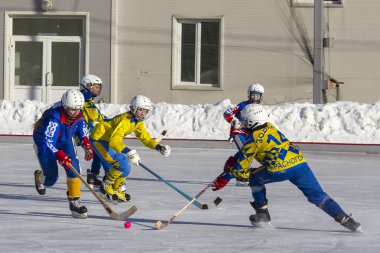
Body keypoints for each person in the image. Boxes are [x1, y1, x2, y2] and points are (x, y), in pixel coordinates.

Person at [213, 104, 362, 232]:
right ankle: (347, 220)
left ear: (252, 122)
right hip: (299, 164)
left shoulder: (252, 139)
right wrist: (238, 157)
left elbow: (241, 169)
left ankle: (262, 215)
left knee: (253, 178)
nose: (243, 123)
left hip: (280, 168)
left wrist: (224, 177)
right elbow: (253, 149)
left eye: (245, 121)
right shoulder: (270, 128)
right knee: (318, 196)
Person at [89, 95, 171, 202]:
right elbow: (115, 141)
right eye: (140, 110)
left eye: (145, 111)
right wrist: (128, 151)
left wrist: (158, 147)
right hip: (99, 139)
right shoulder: (125, 120)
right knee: (120, 162)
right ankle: (106, 186)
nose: (143, 113)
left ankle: (115, 189)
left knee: (126, 167)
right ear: (133, 108)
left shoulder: (137, 122)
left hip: (108, 141)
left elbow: (145, 138)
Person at [33, 89, 94, 219]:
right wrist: (59, 155)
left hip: (65, 140)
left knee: (74, 168)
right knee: (51, 179)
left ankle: (74, 201)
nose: (75, 112)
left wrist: (86, 143)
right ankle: (39, 176)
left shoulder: (78, 114)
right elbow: (48, 141)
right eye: (72, 109)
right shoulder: (54, 118)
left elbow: (81, 128)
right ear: (65, 106)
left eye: (78, 109)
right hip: (44, 144)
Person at [223, 83, 264, 186]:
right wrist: (234, 121)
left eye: (257, 95)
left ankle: (230, 166)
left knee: (245, 154)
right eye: (253, 95)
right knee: (246, 153)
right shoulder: (242, 105)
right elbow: (227, 113)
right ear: (249, 94)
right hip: (239, 133)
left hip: (251, 136)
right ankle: (241, 176)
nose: (255, 98)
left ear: (261, 96)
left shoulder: (260, 109)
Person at [79, 74, 109, 188]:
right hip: (84, 132)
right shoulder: (85, 97)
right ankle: (109, 178)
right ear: (88, 85)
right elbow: (93, 116)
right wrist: (105, 120)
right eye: (95, 86)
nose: (98, 89)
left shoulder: (87, 97)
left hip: (86, 131)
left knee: (98, 152)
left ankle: (93, 175)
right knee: (103, 150)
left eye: (98, 87)